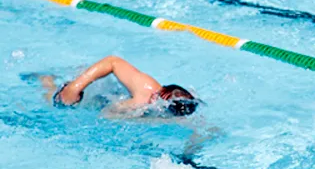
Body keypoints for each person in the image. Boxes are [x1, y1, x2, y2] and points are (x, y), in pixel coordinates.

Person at [40, 56, 199, 117]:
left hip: (103, 100)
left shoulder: (164, 112)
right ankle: (45, 79)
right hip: (86, 96)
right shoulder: (146, 89)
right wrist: (76, 86)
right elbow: (113, 61)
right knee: (58, 103)